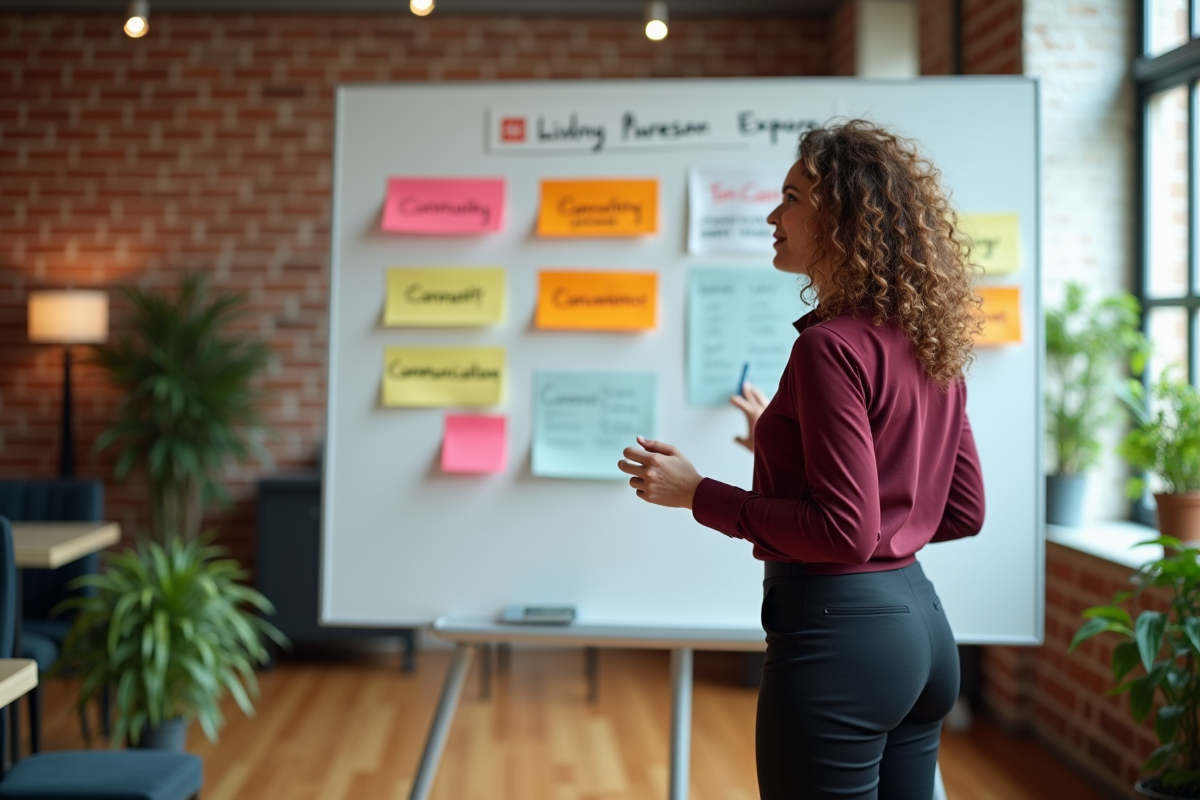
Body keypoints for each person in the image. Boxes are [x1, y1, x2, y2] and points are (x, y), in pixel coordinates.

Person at [617, 120, 986, 800]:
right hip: (924, 634)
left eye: (791, 197)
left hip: (841, 641)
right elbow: (961, 511)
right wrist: (785, 446)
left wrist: (696, 493)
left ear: (841, 217)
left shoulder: (828, 348)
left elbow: (845, 531)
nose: (772, 214)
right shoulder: (930, 341)